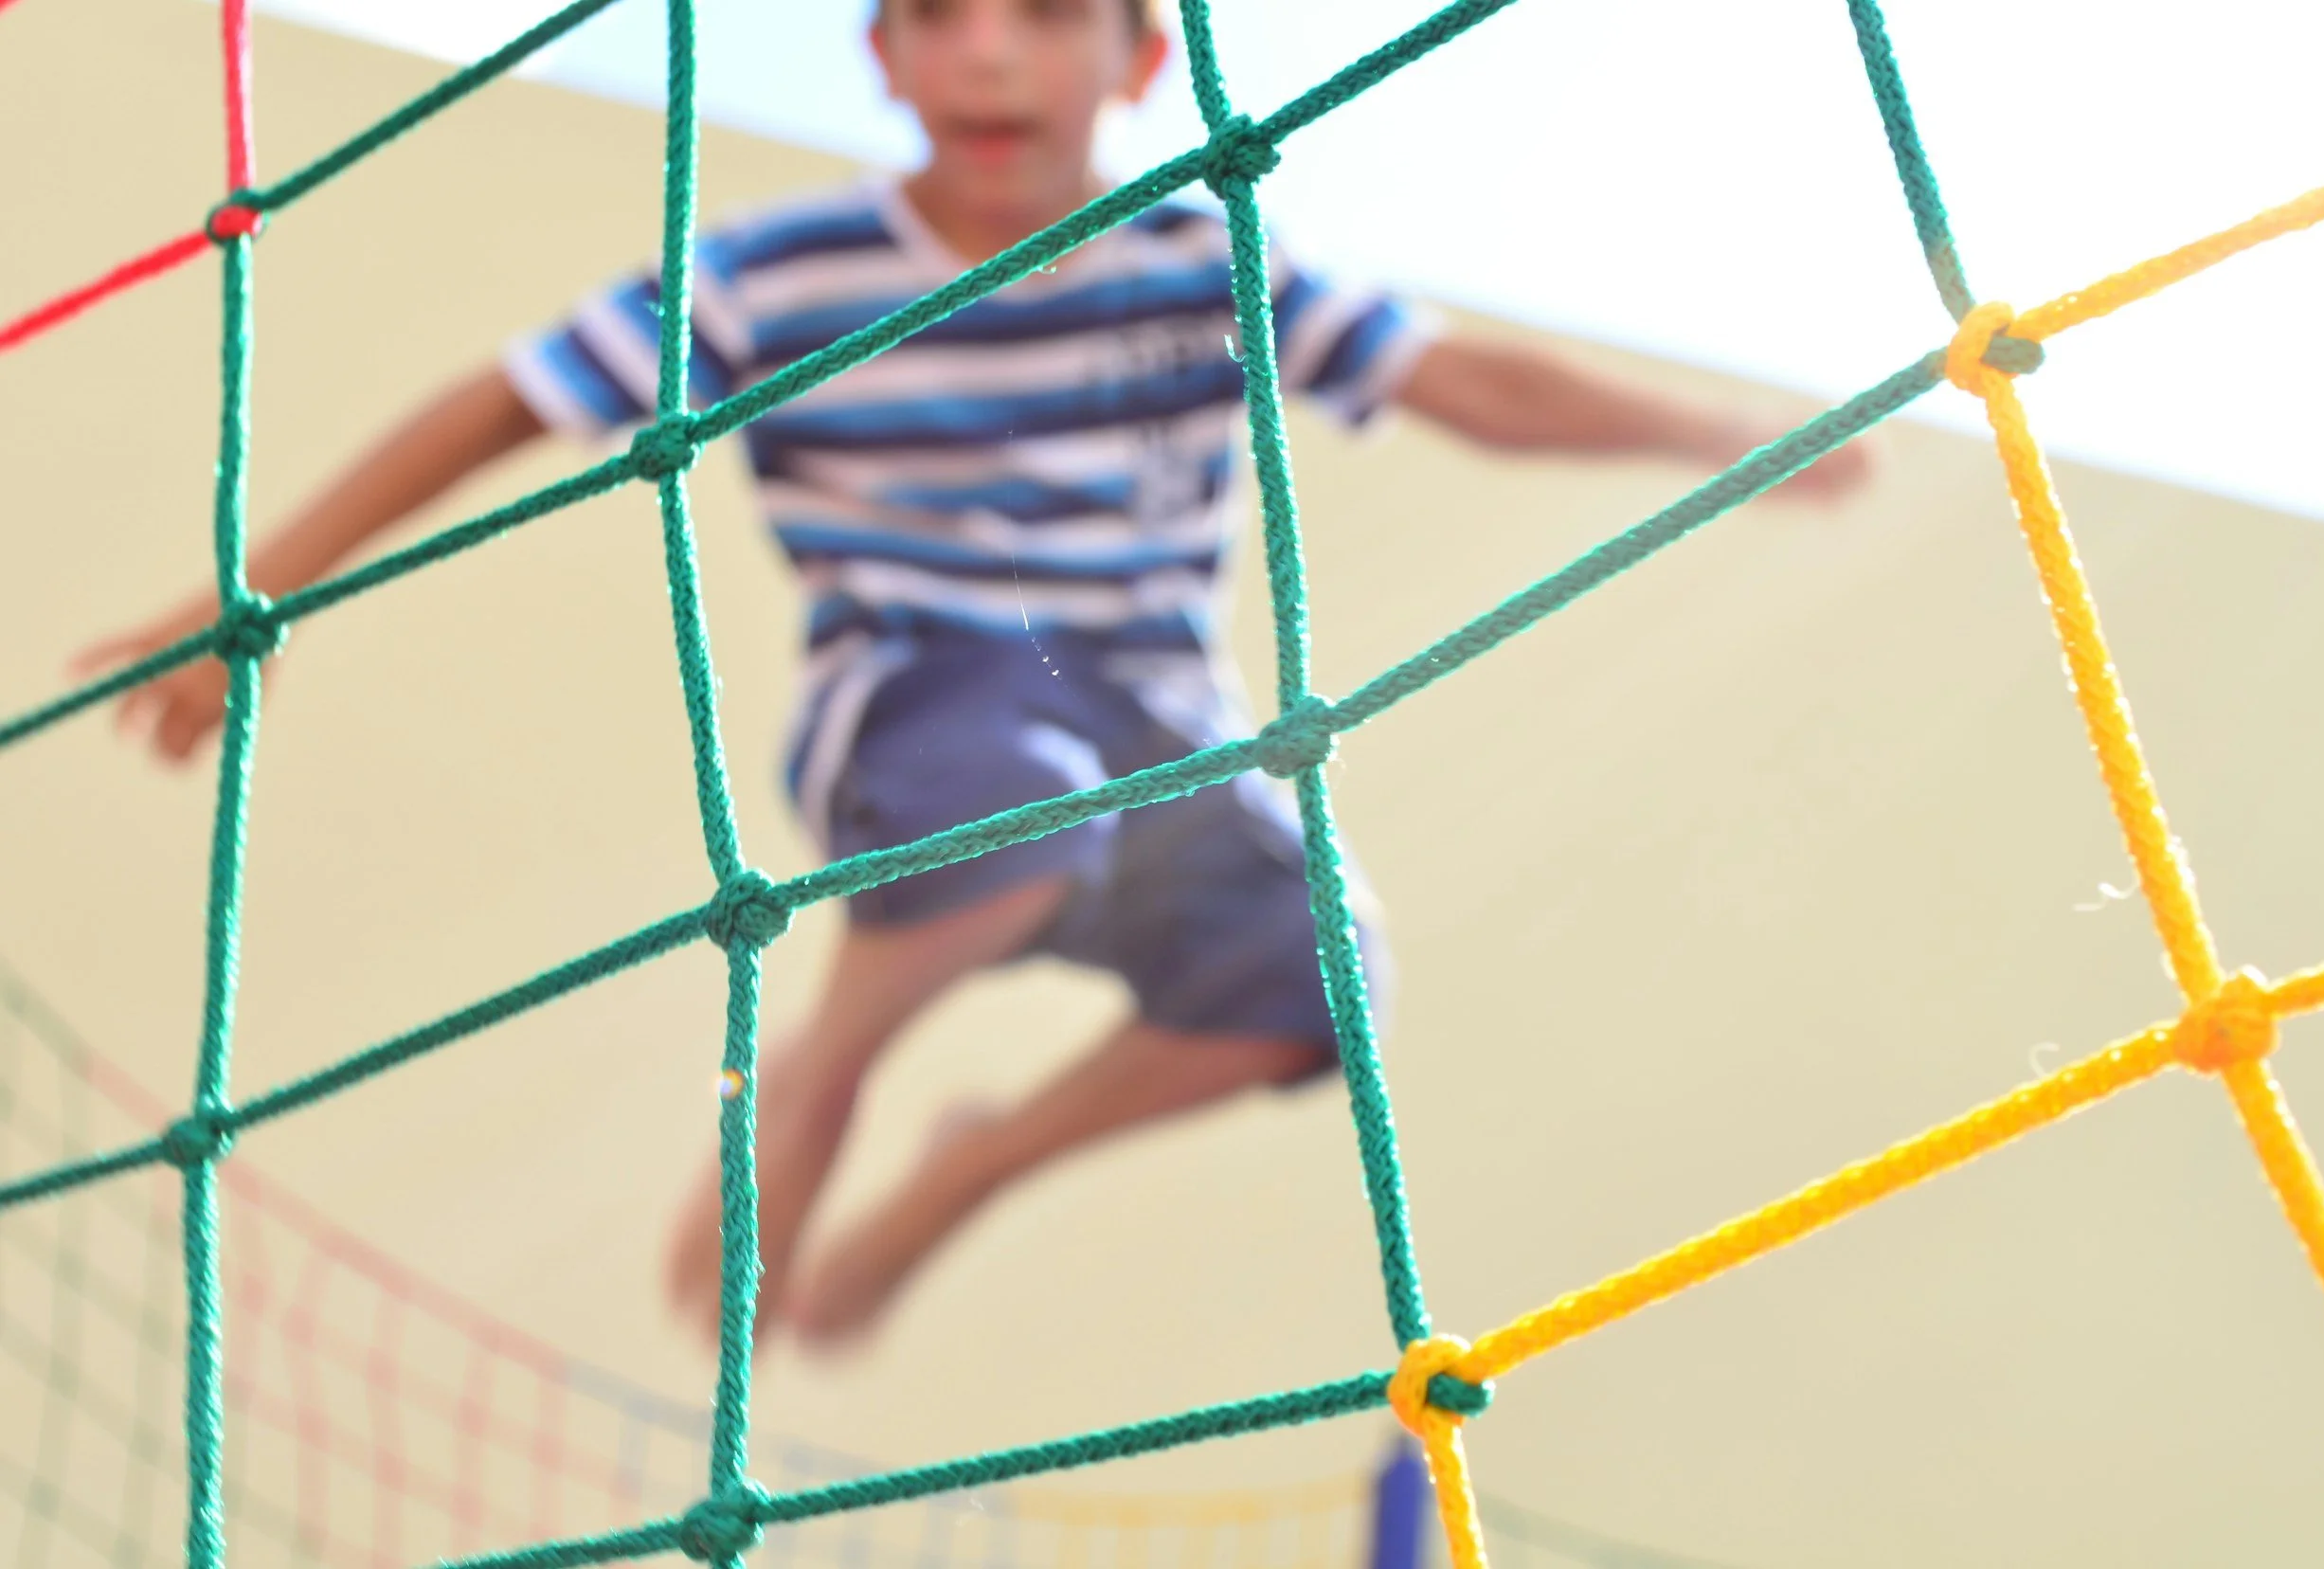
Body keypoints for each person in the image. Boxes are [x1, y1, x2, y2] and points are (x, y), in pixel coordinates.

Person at [76, 0, 1868, 1349]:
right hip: (920, 698)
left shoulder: (1200, 248)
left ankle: (970, 1158)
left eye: (1043, 16)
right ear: (881, 57)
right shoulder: (783, 272)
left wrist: (1724, 439)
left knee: (1329, 969)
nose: (993, 57)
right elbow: (509, 400)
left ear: (1141, 61)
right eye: (943, 14)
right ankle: (827, 1070)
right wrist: (253, 596)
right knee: (1019, 785)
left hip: (1163, 723)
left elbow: (1466, 382)